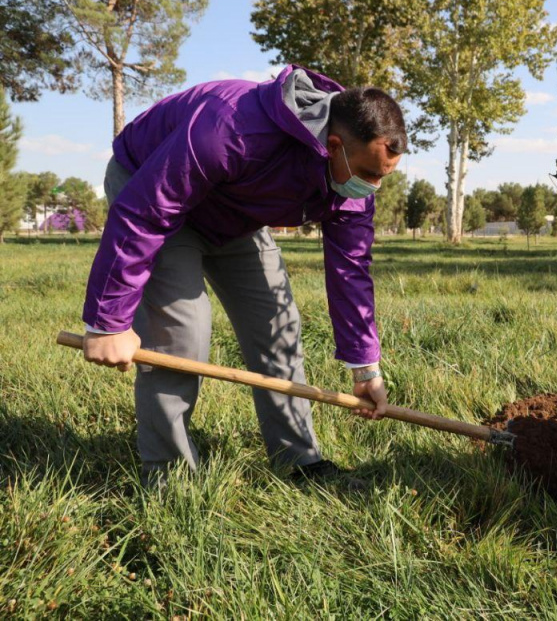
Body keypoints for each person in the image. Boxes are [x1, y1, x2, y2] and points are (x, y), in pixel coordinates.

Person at [80, 65, 404, 487]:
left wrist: (366, 369)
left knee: (276, 323)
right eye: (370, 174)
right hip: (150, 186)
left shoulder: (349, 184)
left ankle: (299, 462)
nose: (374, 186)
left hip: (233, 213)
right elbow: (146, 212)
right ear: (335, 145)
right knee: (182, 333)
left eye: (384, 176)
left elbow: (351, 270)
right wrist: (107, 322)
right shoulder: (232, 127)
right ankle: (169, 477)